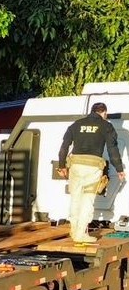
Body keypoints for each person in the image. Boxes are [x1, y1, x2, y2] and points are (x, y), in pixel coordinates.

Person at [57, 102, 124, 244]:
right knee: (87, 199)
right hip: (92, 168)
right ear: (104, 113)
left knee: (75, 198)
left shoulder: (76, 124)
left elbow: (64, 147)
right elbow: (113, 150)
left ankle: (74, 229)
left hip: (75, 166)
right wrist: (119, 169)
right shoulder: (106, 126)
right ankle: (80, 234)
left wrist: (62, 165)